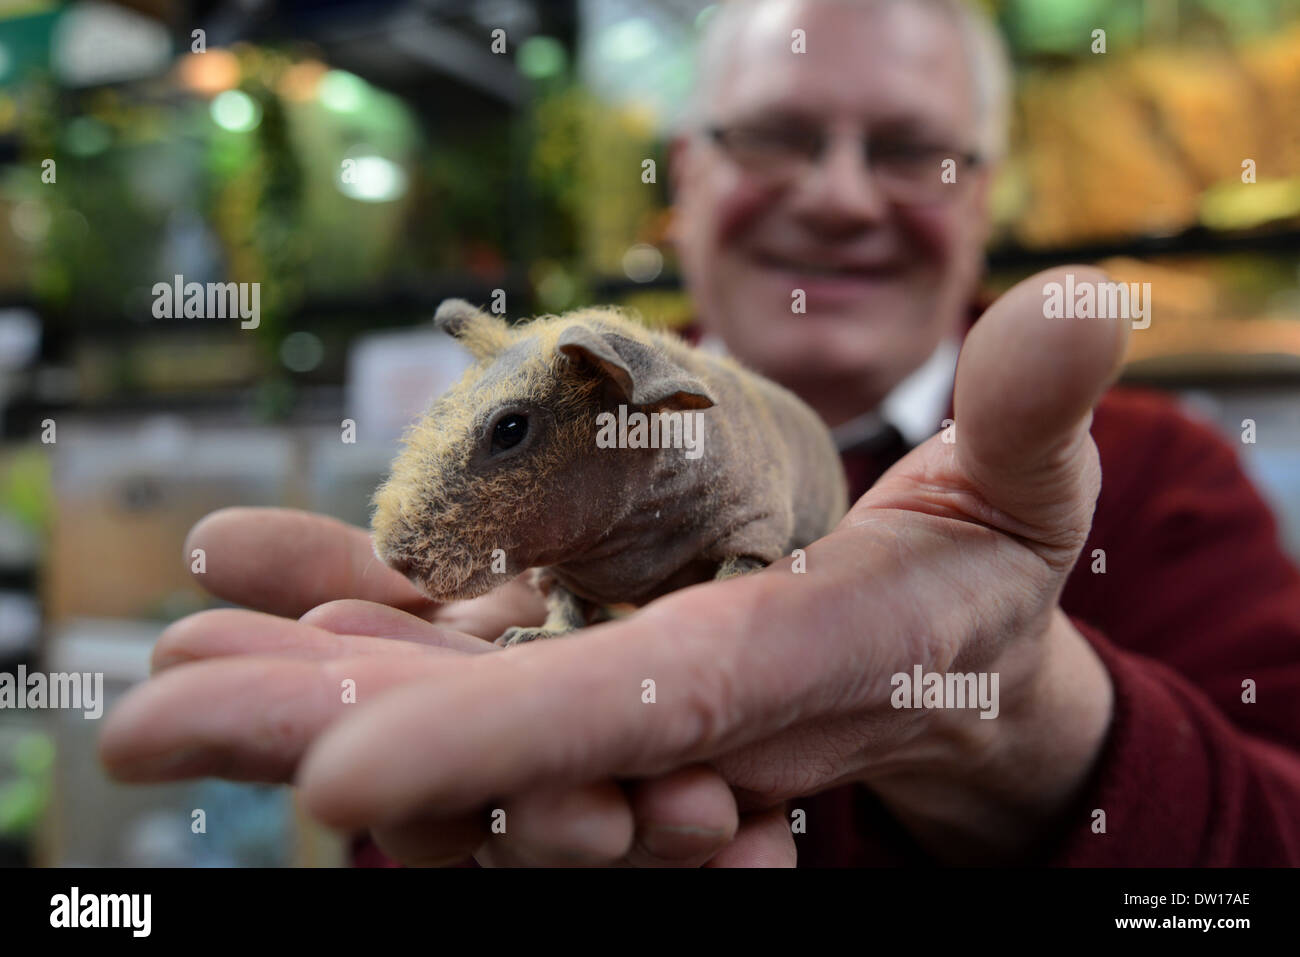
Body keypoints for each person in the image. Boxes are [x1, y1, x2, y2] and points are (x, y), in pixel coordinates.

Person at [100, 0, 1300, 867]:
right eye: (773, 136)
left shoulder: (1156, 479)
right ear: (687, 179)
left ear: (982, 198)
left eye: (905, 150)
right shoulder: (563, 388)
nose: (837, 195)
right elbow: (401, 806)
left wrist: (1026, 721)